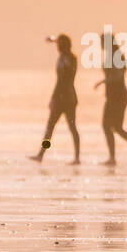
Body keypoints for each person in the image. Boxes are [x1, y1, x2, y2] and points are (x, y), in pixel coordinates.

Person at [94, 28, 127, 165]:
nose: (100, 45)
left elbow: (118, 76)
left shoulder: (117, 56)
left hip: (118, 95)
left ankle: (114, 158)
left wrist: (103, 81)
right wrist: (103, 82)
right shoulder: (112, 55)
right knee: (116, 127)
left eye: (101, 42)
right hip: (114, 95)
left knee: (109, 126)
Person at [29, 34, 80, 164]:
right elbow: (59, 81)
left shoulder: (69, 58)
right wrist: (52, 40)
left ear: (64, 46)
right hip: (61, 97)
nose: (57, 47)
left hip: (66, 98)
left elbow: (64, 81)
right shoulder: (63, 58)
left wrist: (54, 98)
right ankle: (41, 154)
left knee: (70, 128)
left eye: (59, 45)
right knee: (51, 127)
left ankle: (77, 157)